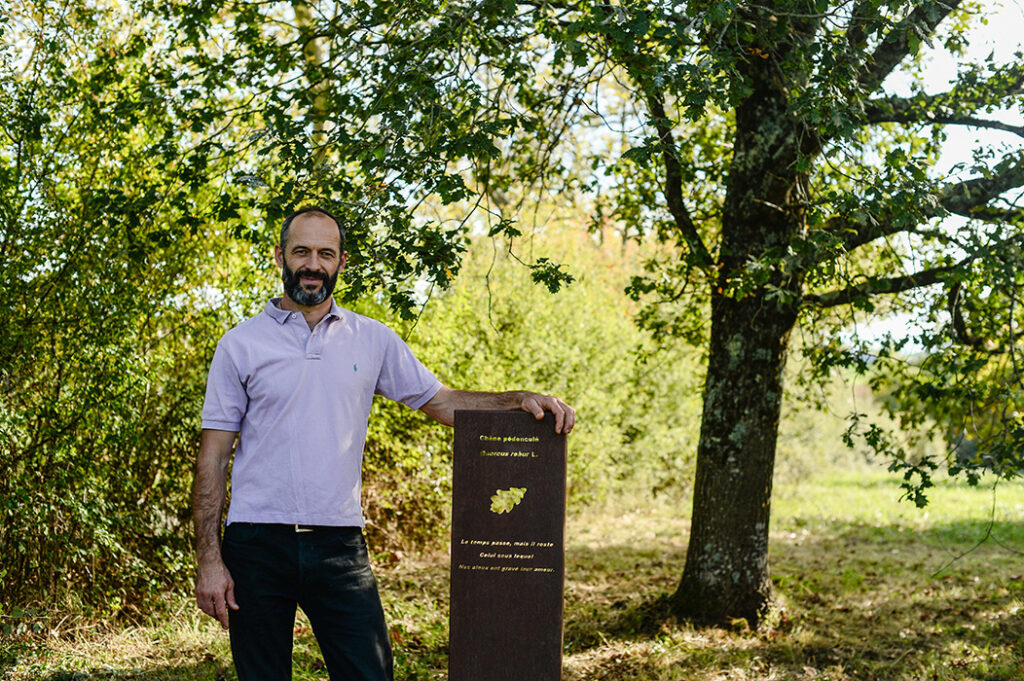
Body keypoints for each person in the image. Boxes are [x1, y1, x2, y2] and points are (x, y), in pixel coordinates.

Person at [193, 206, 575, 681]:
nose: (313, 264)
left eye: (325, 253)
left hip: (339, 545)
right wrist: (209, 559)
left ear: (341, 262)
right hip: (255, 544)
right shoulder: (239, 344)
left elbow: (442, 403)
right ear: (281, 257)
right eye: (302, 251)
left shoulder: (370, 339)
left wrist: (517, 401)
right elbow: (212, 458)